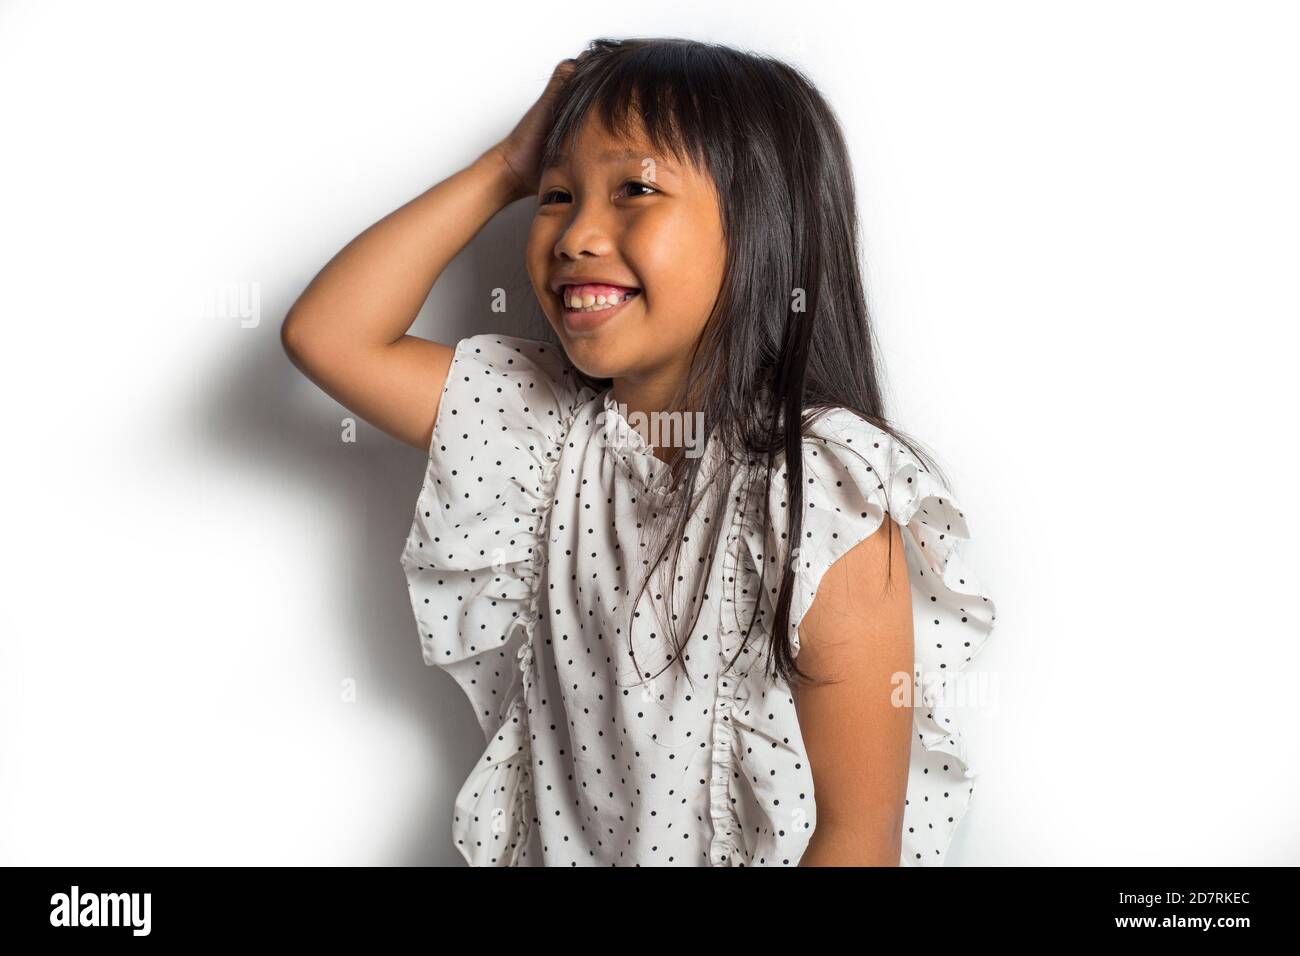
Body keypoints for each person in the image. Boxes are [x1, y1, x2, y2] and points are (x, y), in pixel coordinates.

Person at [282, 37, 997, 867]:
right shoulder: (540, 434)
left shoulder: (821, 489)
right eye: (556, 194)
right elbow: (326, 336)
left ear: (761, 223)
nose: (577, 233)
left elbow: (856, 840)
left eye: (636, 189)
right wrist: (505, 167)